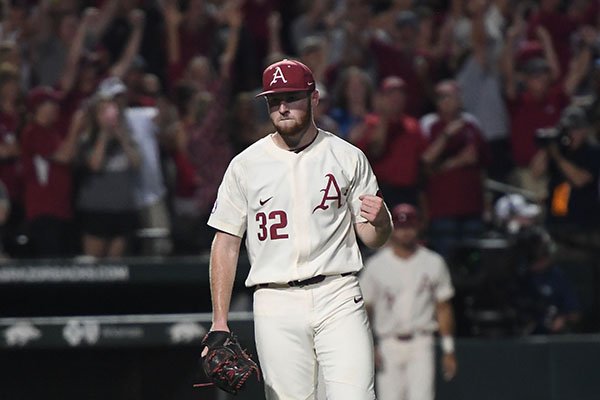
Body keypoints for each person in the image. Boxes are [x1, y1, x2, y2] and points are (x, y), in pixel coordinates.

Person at [206, 59, 392, 399]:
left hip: (337, 293)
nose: (282, 107)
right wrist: (220, 320)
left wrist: (382, 222)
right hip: (274, 300)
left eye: (291, 97)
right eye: (273, 100)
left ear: (314, 98)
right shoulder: (245, 165)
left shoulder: (347, 156)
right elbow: (226, 241)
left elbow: (372, 237)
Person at [360, 203, 458, 400]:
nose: (405, 232)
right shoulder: (375, 266)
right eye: (401, 226)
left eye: (410, 226)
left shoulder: (433, 262)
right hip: (388, 343)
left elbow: (443, 307)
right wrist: (369, 346)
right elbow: (365, 309)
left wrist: (448, 349)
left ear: (418, 227)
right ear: (393, 227)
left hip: (421, 340)